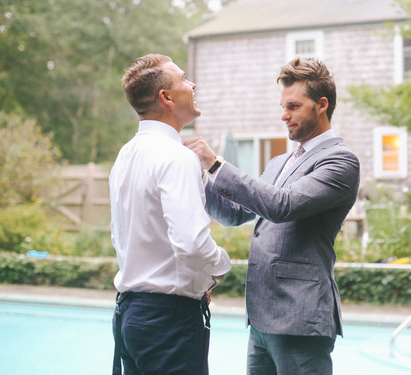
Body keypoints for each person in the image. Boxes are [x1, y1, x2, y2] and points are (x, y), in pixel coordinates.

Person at [186, 57, 360, 375]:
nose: (284, 115)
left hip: (300, 317)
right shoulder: (279, 162)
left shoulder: (340, 161)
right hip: (262, 318)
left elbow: (281, 206)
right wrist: (198, 176)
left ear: (322, 105)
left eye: (293, 106)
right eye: (283, 106)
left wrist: (216, 164)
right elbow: (234, 214)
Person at [109, 53, 231, 375]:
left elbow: (119, 235)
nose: (193, 84)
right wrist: (220, 266)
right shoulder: (176, 157)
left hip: (130, 317)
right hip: (168, 324)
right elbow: (191, 244)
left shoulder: (125, 155)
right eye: (184, 80)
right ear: (166, 97)